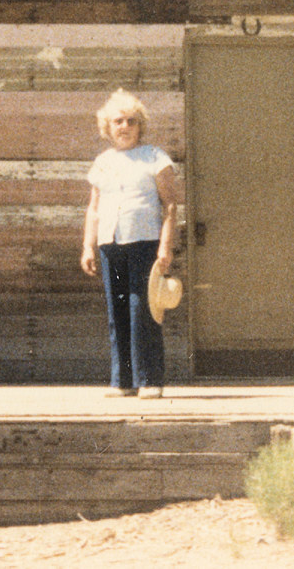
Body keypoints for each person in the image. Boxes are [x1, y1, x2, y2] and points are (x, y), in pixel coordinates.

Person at [81, 89, 178, 399]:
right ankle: (122, 381)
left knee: (143, 310)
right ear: (107, 127)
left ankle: (149, 379)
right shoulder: (102, 162)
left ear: (140, 126)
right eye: (118, 121)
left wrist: (165, 246)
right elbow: (93, 209)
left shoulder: (155, 157)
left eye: (131, 121)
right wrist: (88, 246)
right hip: (111, 244)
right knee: (118, 310)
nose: (124, 127)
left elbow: (171, 206)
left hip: (145, 242)